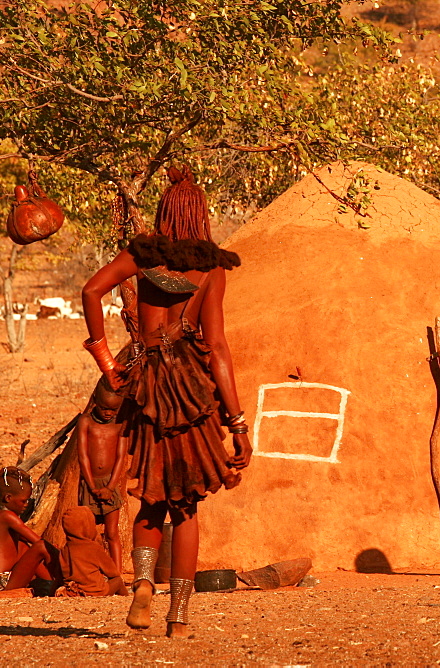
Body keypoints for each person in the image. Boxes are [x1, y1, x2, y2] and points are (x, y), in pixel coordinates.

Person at [80, 165, 251, 638]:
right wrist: (236, 420)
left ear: (163, 210)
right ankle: (178, 616)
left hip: (147, 383)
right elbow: (216, 347)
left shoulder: (142, 255)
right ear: (201, 215)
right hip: (191, 391)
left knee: (152, 494)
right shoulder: (211, 268)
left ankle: (140, 584)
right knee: (187, 506)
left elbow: (91, 290)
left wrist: (105, 359)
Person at [0, 466, 61, 594]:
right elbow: (39, 542)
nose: (26, 504)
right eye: (23, 501)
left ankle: (50, 583)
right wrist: (59, 554)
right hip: (1, 583)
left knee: (22, 547)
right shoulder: (8, 517)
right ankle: (60, 582)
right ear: (8, 498)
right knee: (41, 547)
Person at [76, 378, 127, 574]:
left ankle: (117, 575)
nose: (108, 413)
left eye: (113, 409)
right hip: (90, 484)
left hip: (109, 483)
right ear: (95, 401)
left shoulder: (120, 424)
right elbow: (83, 456)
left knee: (112, 532)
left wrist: (110, 488)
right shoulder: (86, 421)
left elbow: (121, 457)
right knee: (89, 534)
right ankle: (92, 574)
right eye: (105, 408)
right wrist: (91, 486)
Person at [58, 506, 127, 597]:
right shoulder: (94, 548)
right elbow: (113, 573)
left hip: (73, 591)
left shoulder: (65, 549)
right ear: (87, 526)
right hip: (96, 591)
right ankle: (127, 598)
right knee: (117, 581)